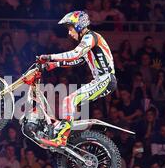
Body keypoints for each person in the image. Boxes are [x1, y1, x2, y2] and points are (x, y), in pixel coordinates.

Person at [38, 11, 117, 147]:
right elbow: (78, 61)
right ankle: (66, 132)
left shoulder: (91, 37)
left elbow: (75, 55)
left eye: (70, 28)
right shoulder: (87, 41)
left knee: (70, 100)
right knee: (69, 101)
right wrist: (55, 64)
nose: (69, 33)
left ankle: (62, 137)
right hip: (101, 80)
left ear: (79, 26)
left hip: (106, 79)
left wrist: (50, 57)